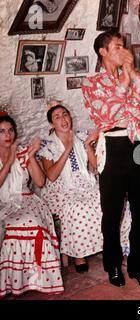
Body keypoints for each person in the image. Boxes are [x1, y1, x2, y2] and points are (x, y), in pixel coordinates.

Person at [81, 29, 140, 288]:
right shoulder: (91, 83)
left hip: (137, 145)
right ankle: (113, 265)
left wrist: (133, 73)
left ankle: (139, 267)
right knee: (112, 213)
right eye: (117, 47)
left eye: (123, 46)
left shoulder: (131, 75)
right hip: (112, 147)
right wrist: (125, 82)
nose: (123, 51)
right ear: (103, 51)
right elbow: (106, 115)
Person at [0, 113, 63, 298]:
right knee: (11, 228)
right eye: (2, 131)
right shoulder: (11, 155)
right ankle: (12, 282)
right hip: (3, 201)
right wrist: (10, 160)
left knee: (33, 223)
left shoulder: (22, 152)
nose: (7, 135)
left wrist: (31, 156)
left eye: (10, 130)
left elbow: (40, 181)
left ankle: (35, 280)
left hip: (26, 199)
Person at [38, 105, 103, 273]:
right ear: (52, 124)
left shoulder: (81, 137)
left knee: (106, 200)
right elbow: (51, 176)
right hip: (61, 188)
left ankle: (105, 243)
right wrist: (67, 149)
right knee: (76, 208)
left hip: (85, 182)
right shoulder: (48, 145)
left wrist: (88, 146)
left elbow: (95, 166)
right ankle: (79, 254)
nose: (63, 119)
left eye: (65, 114)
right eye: (57, 117)